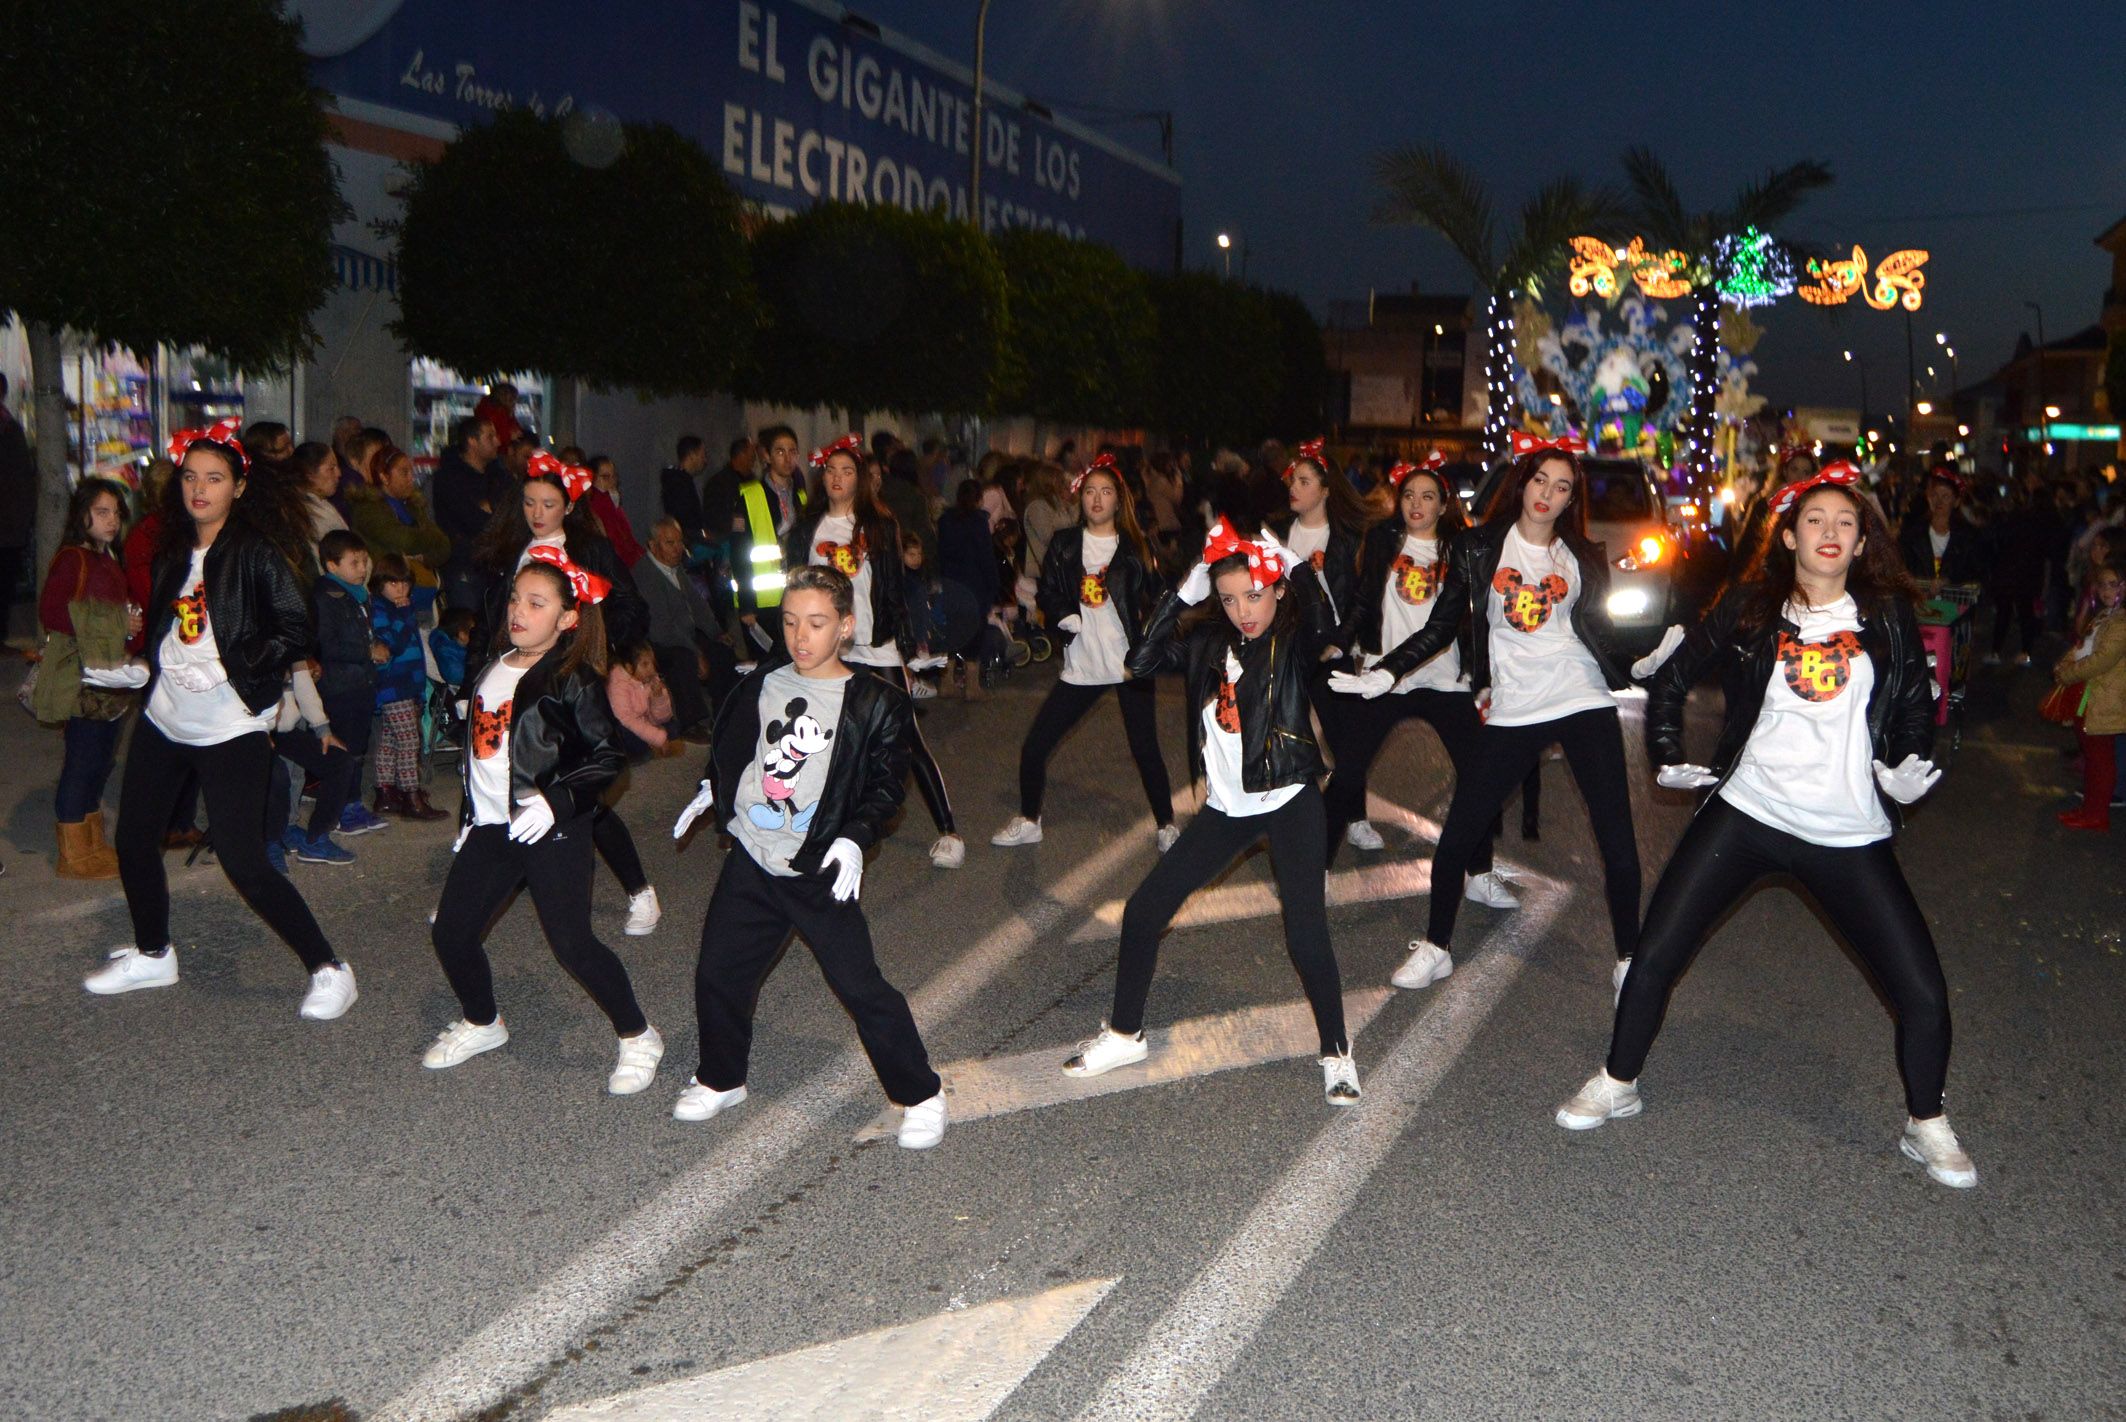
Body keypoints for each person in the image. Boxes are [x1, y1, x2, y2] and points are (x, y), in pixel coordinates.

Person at [1558, 464, 1974, 1189]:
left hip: (1847, 831)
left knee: (1923, 990)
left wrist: (1905, 764)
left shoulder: (1884, 616)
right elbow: (1675, 678)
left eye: (1846, 523)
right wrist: (1667, 757)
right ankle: (1617, 1077)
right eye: (1815, 520)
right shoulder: (1752, 606)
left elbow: (1912, 704)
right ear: (1788, 535)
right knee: (1657, 950)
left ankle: (1926, 1121)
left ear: (1861, 541)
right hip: (1748, 812)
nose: (1830, 533)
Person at [1064, 519, 1359, 1106]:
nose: (1244, 610)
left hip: (1290, 800)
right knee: (1144, 911)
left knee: (1305, 935)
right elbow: (1141, 659)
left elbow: (1331, 624)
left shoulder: (1292, 639)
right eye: (1228, 599)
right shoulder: (1208, 643)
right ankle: (1126, 1034)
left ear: (1276, 590)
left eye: (1254, 594)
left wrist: (1292, 563)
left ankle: (1338, 1053)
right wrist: (1186, 589)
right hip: (1227, 810)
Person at [1343, 433, 1637, 998]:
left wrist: (1643, 664)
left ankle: (1629, 959)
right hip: (1515, 707)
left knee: (1615, 838)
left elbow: (1600, 632)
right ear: (1521, 483)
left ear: (1571, 498)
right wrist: (1389, 670)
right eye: (1540, 481)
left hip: (1582, 698)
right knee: (1460, 831)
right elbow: (1438, 624)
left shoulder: (1581, 555)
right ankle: (1437, 947)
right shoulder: (1477, 548)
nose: (1547, 494)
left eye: (1562, 487)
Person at [88, 419, 357, 1021]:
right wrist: (143, 668)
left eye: (214, 478)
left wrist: (235, 665)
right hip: (164, 718)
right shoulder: (173, 547)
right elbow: (170, 624)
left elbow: (297, 629)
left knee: (243, 860)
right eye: (190, 477)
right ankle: (154, 952)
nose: (199, 489)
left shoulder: (258, 552)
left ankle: (330, 969)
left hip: (230, 725)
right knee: (134, 838)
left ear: (239, 486)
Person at [669, 564, 947, 1148]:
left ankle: (920, 1092)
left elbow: (885, 786)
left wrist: (855, 836)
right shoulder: (763, 681)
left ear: (846, 627)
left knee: (858, 984)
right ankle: (723, 1077)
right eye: (791, 621)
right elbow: (736, 745)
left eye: (817, 623)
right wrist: (711, 789)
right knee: (720, 971)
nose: (801, 636)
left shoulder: (876, 703)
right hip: (752, 851)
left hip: (815, 863)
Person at [422, 551, 667, 1093]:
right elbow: (482, 753)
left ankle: (638, 1034)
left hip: (550, 827)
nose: (519, 611)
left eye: (537, 603)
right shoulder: (494, 665)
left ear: (566, 619)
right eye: (515, 599)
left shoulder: (570, 677)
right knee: (452, 933)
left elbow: (607, 757)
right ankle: (483, 1021)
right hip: (492, 826)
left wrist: (556, 802)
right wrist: (470, 813)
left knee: (572, 943)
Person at [474, 449, 661, 935]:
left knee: (583, 798)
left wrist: (592, 651)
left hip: (565, 684)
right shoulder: (513, 549)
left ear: (570, 507)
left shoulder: (590, 551)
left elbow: (630, 608)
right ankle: (466, 896)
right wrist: (473, 677)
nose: (537, 514)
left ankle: (641, 891)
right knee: (495, 776)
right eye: (529, 503)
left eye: (548, 504)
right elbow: (492, 619)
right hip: (510, 680)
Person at [1322, 457, 1518, 907]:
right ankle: (1316, 871)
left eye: (1427, 496)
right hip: (1381, 675)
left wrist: (1486, 673)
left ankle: (1480, 872)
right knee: (1348, 773)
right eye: (1409, 495)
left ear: (1443, 503)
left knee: (1477, 776)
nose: (1416, 504)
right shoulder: (1382, 540)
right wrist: (1340, 642)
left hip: (1443, 676)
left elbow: (1480, 613)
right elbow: (1362, 601)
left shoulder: (1461, 548)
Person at [787, 434, 965, 869]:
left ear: (861, 479)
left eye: (847, 471)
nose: (837, 479)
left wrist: (903, 645)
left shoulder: (880, 525)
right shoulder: (807, 529)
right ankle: (805, 824)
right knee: (811, 736)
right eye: (830, 471)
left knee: (906, 739)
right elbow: (794, 589)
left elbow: (892, 589)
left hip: (874, 644)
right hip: (826, 651)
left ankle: (948, 831)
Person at [993, 455, 1175, 852]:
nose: (1096, 499)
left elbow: (1160, 596)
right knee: (1035, 745)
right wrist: (1063, 614)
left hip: (1128, 665)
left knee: (1146, 750)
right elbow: (1048, 591)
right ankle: (1029, 819)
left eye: (1105, 492)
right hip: (1083, 663)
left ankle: (1166, 824)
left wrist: (1151, 642)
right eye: (1090, 491)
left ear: (1117, 500)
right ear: (1081, 498)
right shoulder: (1064, 543)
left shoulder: (1134, 547)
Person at [35, 477, 142, 878]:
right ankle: (73, 854)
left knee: (100, 759)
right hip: (83, 677)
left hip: (107, 676)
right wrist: (118, 622)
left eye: (116, 512)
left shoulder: (107, 558)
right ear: (83, 515)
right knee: (83, 760)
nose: (111, 520)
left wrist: (127, 625)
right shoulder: (73, 559)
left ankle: (92, 842)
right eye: (102, 512)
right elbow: (53, 613)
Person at [634, 515, 735, 734]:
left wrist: (716, 632)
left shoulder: (676, 568)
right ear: (652, 545)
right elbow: (661, 627)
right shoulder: (646, 575)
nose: (678, 548)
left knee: (721, 651)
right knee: (683, 660)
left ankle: (725, 711)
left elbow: (699, 605)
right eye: (670, 543)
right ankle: (692, 724)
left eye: (680, 542)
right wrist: (695, 650)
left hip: (684, 633)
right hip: (659, 640)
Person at [2053, 563, 2126, 831]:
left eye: (2113, 584)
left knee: (2100, 758)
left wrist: (2067, 674)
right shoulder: (2106, 615)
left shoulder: (2121, 622)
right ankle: (2090, 809)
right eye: (2102, 584)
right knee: (2093, 756)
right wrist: (2064, 664)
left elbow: (2101, 660)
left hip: (2105, 698)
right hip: (2091, 694)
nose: (2107, 590)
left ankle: (2096, 814)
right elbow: (2082, 647)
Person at [370, 552, 442, 819]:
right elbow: (392, 645)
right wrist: (403, 614)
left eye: (404, 583)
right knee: (409, 739)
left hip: (408, 683)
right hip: (392, 684)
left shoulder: (404, 606)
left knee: (390, 740)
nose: (400, 589)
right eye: (392, 583)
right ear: (380, 584)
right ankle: (411, 795)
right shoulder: (379, 608)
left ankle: (386, 793)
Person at [1273, 439, 1366, 628]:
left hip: (1331, 639)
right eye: (1293, 480)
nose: (1293, 487)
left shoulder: (1345, 538)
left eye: (1304, 482)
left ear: (1325, 491)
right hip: (1290, 636)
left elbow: (1357, 599)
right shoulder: (1277, 531)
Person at [350, 444, 451, 596]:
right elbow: (403, 540)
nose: (412, 478)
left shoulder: (413, 506)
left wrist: (422, 558)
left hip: (421, 588)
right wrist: (430, 538)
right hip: (389, 592)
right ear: (384, 476)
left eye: (411, 471)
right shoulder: (368, 509)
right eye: (404, 472)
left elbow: (445, 546)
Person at [432, 415, 508, 612]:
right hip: (464, 566)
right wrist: (491, 515)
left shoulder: (498, 477)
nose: (497, 442)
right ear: (472, 442)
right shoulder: (449, 479)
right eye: (490, 437)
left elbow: (509, 513)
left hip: (494, 566)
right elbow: (470, 520)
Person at [1897, 465, 1984, 588]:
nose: (1939, 501)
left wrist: (1948, 581)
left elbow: (1975, 571)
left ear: (1956, 501)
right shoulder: (1912, 534)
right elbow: (1901, 564)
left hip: (1954, 603)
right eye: (1935, 495)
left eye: (1945, 496)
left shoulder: (1968, 536)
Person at [606, 643, 682, 759]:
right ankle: (646, 748)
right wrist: (656, 736)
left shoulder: (650, 678)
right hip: (624, 725)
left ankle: (651, 745)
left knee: (674, 726)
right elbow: (627, 719)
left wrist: (658, 697)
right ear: (629, 667)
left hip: (644, 722)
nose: (651, 669)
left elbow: (662, 717)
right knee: (629, 738)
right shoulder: (618, 684)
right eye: (645, 664)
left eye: (652, 663)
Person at [290, 442, 350, 557]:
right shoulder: (311, 513)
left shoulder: (321, 504)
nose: (339, 473)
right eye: (331, 468)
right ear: (310, 474)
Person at [585, 454, 644, 568]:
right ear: (593, 478)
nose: (612, 481)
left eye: (614, 476)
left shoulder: (613, 501)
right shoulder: (597, 503)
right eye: (606, 477)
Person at [661, 434, 713, 553]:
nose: (705, 460)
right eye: (702, 455)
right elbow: (686, 518)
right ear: (691, 455)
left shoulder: (679, 481)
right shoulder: (679, 484)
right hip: (689, 543)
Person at [472, 381, 522, 449]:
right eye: (513, 399)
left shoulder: (503, 412)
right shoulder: (496, 414)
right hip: (497, 451)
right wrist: (510, 436)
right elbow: (497, 436)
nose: (514, 402)